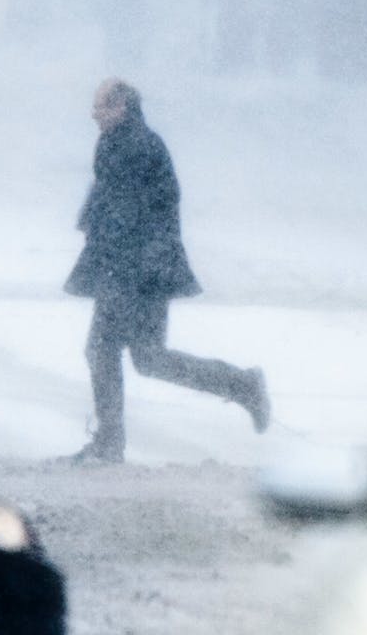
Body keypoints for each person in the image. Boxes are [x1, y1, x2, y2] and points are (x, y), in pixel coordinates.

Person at [63, 78, 270, 464]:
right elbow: (112, 205)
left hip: (140, 272)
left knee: (121, 353)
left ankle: (111, 442)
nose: (93, 114)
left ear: (122, 106)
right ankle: (241, 385)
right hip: (132, 269)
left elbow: (134, 213)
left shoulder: (136, 146)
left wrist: (119, 263)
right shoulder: (120, 142)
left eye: (101, 106)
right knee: (137, 356)